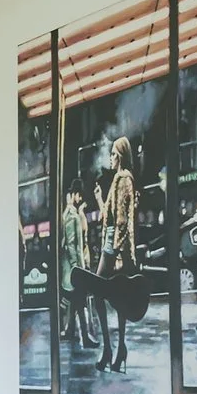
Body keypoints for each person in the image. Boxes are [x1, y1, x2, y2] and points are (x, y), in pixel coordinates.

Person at [96, 138, 139, 373]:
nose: (110, 158)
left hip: (113, 246)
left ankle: (111, 349)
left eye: (113, 154)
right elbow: (109, 216)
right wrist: (100, 200)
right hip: (111, 243)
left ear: (120, 156)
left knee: (97, 293)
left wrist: (120, 253)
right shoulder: (118, 179)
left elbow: (122, 221)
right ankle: (117, 348)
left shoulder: (123, 179)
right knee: (119, 297)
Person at [59, 189, 93, 348]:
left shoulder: (68, 215)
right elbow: (72, 245)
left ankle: (69, 330)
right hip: (74, 267)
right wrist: (77, 267)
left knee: (74, 301)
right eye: (76, 194)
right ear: (71, 196)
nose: (79, 198)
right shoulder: (72, 217)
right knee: (80, 301)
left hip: (71, 267)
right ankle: (85, 337)